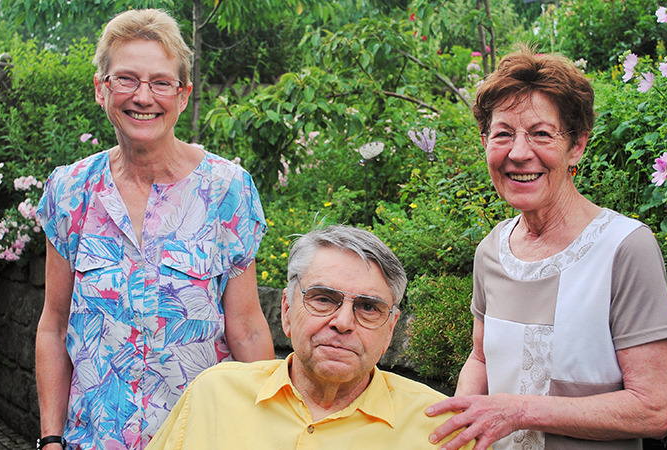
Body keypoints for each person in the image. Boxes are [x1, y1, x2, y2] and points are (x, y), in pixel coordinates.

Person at [33, 9, 275, 450]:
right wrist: (50, 439)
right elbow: (55, 324)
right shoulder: (70, 191)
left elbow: (247, 328)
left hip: (201, 438)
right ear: (101, 89)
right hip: (93, 440)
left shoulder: (227, 191)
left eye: (161, 83)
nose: (143, 97)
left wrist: (269, 434)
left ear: (183, 95)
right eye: (126, 79)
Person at [425, 46, 667, 450]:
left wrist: (519, 411)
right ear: (485, 142)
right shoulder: (491, 251)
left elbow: (654, 409)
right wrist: (459, 429)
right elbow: (481, 359)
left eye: (541, 134)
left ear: (576, 146)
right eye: (503, 134)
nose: (518, 152)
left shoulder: (625, 248)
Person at [145, 225, 473, 450]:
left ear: (390, 328)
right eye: (324, 299)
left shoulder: (441, 428)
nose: (343, 322)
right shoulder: (213, 395)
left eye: (368, 307)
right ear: (287, 310)